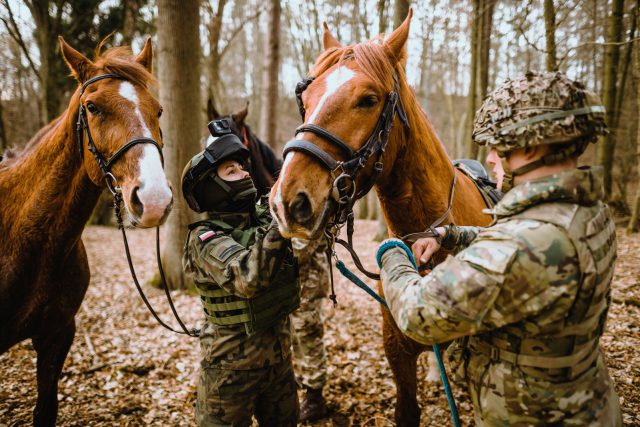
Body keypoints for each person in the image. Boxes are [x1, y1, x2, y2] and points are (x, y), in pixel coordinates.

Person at [376, 71, 622, 426]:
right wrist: (450, 235)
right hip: (589, 404)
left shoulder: (523, 245)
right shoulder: (587, 211)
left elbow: (418, 316)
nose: (490, 159)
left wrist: (393, 254)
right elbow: (527, 250)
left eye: (498, 146)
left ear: (531, 147)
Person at [182, 119, 299, 426]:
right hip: (229, 374)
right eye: (231, 171)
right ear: (212, 187)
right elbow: (249, 277)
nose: (245, 173)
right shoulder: (205, 238)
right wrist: (281, 224)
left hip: (280, 364)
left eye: (241, 167)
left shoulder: (263, 216)